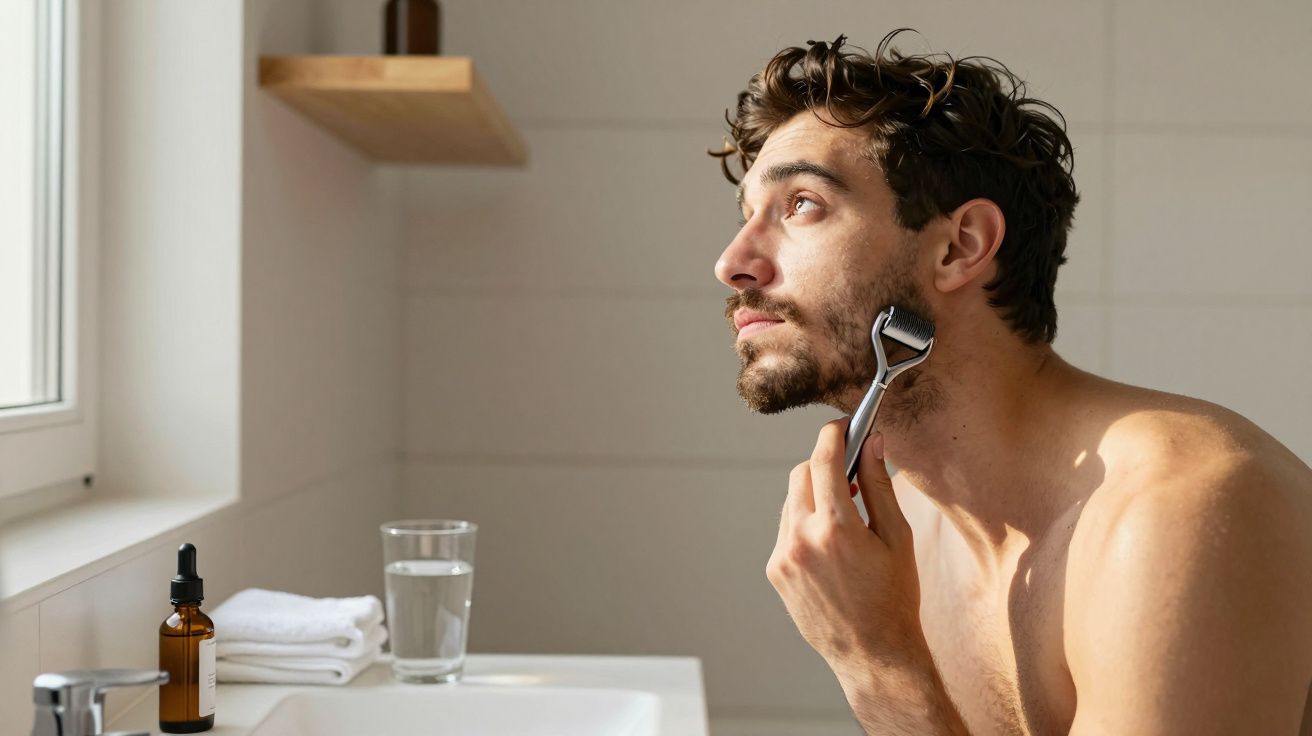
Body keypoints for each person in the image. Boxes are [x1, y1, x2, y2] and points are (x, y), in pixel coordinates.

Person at [710, 29, 1312, 735]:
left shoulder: (1177, 511)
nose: (733, 262)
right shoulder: (909, 537)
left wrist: (878, 666)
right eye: (746, 215)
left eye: (801, 204)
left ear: (959, 247)